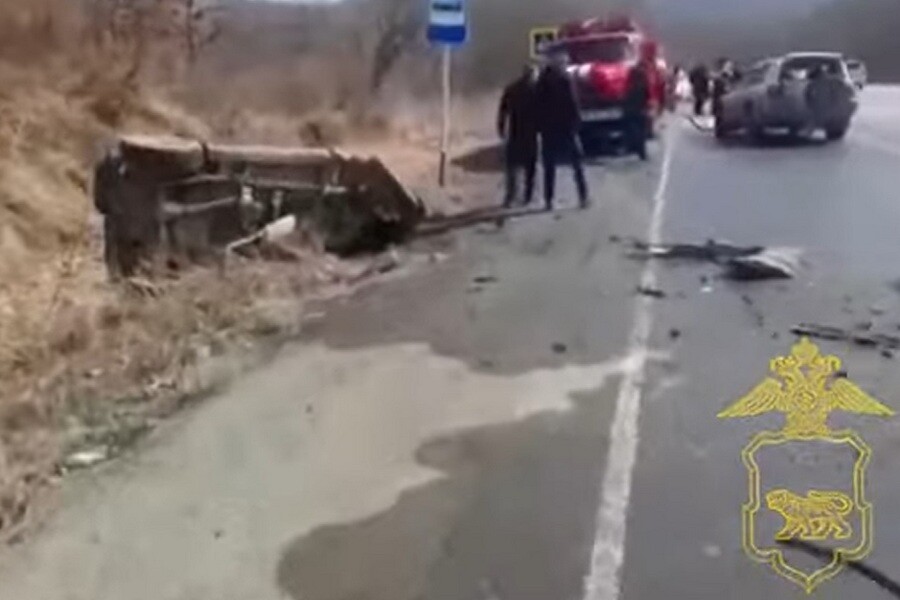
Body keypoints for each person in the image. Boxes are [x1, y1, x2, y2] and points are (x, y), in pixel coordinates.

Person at [535, 54, 589, 210]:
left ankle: (549, 200)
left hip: (548, 129)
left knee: (549, 167)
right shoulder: (565, 80)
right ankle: (583, 197)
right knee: (577, 164)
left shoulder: (542, 82)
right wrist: (577, 122)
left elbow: (536, 106)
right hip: (566, 128)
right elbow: (572, 102)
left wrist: (538, 127)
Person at [497, 65, 539, 207]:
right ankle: (528, 196)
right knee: (530, 167)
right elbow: (544, 111)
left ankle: (511, 196)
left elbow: (503, 111)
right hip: (531, 133)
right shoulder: (536, 90)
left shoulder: (512, 89)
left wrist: (501, 128)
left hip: (515, 131)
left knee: (512, 167)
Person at [624, 50, 652, 160]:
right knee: (641, 131)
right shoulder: (643, 84)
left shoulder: (630, 86)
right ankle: (641, 151)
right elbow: (647, 96)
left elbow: (625, 96)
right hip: (640, 110)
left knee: (632, 129)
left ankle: (633, 148)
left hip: (631, 110)